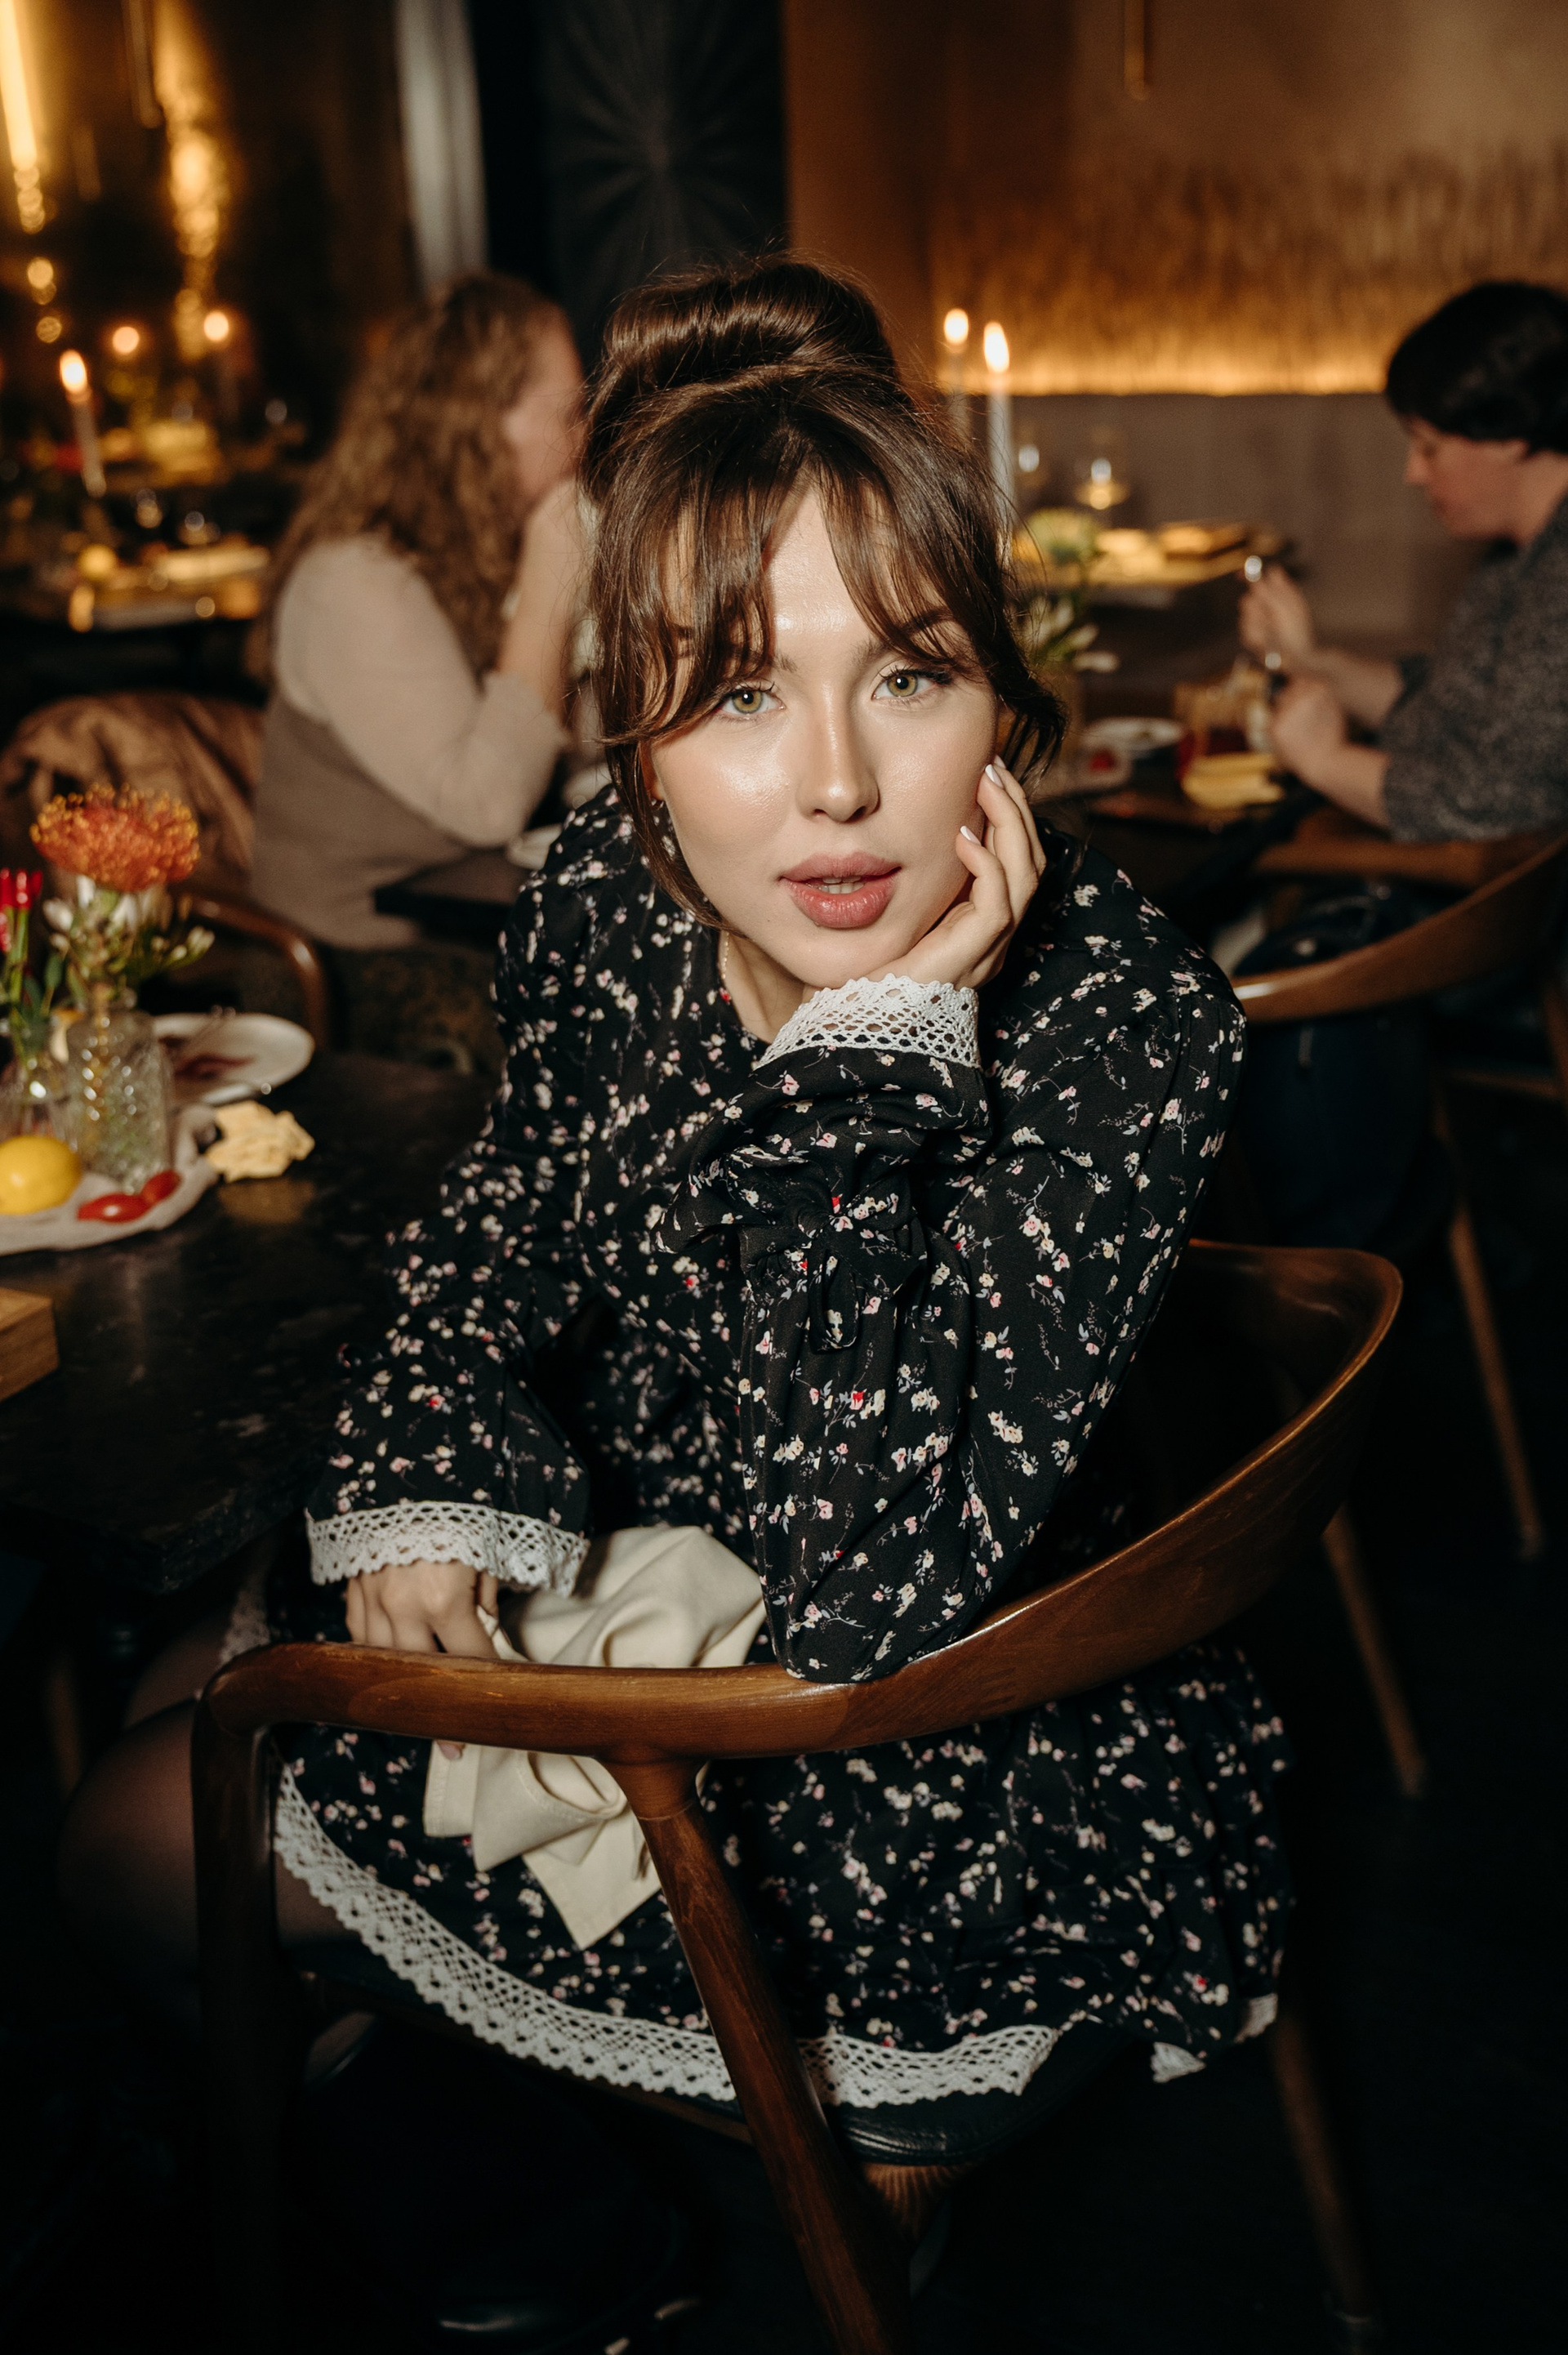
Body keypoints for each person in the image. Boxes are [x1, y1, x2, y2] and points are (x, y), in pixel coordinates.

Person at [61, 262, 1286, 2178]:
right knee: (171, 1685)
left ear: (1004, 697)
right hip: (661, 1537)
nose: (838, 783)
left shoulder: (1120, 1015)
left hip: (915, 1766)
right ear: (629, 729)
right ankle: (433, 2113)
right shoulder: (609, 903)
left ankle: (418, 2145)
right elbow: (509, 1206)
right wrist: (439, 1441)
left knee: (132, 1833)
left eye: (910, 672)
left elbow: (867, 1594)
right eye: (736, 691)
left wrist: (878, 1056)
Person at [250, 273, 588, 1068]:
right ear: (479, 423)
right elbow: (488, 803)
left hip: (474, 920)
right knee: (592, 1026)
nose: (587, 434)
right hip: (342, 959)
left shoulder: (473, 559)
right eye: (569, 410)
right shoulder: (353, 582)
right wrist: (552, 574)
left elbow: (585, 744)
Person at [1241, 280, 1568, 841]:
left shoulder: (1558, 580)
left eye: (1429, 447)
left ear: (1508, 435)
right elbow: (1445, 705)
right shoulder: (1519, 556)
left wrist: (1325, 761)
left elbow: (1499, 800)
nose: (1413, 473)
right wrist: (1306, 660)